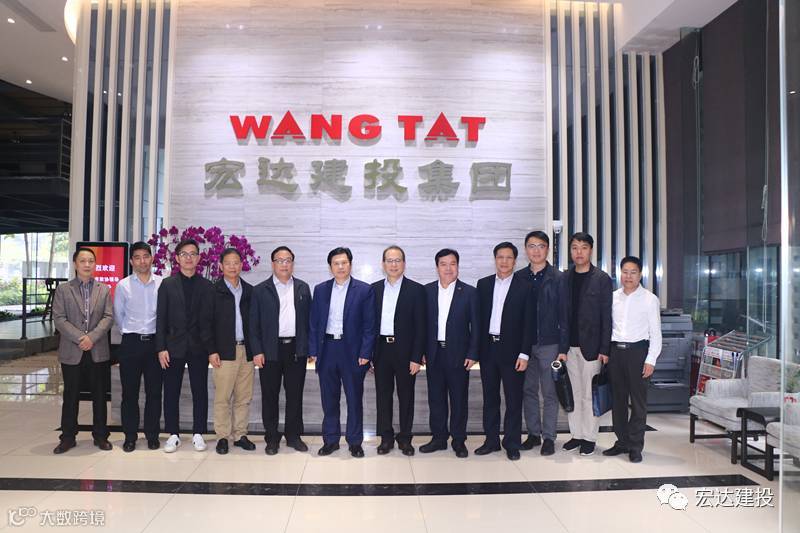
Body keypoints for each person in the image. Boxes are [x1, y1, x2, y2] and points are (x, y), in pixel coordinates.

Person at [309, 247, 376, 458]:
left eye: (344, 263)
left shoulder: (364, 290)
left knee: (354, 398)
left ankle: (355, 442)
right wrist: (313, 350)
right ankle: (331, 440)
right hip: (327, 349)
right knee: (329, 399)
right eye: (336, 263)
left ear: (350, 264)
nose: (340, 267)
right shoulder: (320, 290)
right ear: (330, 267)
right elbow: (314, 323)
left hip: (353, 351)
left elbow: (369, 326)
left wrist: (366, 353)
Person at [250, 246, 312, 455]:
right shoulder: (260, 290)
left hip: (296, 350)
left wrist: (308, 348)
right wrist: (257, 351)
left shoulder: (303, 288)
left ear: (293, 263)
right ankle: (272, 437)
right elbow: (253, 325)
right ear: (273, 264)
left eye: (288, 260)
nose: (284, 264)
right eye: (280, 260)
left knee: (295, 395)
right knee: (270, 396)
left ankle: (293, 436)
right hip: (269, 350)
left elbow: (309, 322)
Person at [52, 248, 114, 454]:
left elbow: (108, 317)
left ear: (95, 264)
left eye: (91, 261)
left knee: (99, 395)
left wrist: (92, 337)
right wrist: (81, 338)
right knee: (71, 395)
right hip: (72, 350)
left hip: (97, 350)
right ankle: (68, 437)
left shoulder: (104, 289)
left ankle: (101, 436)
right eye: (83, 261)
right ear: (75, 264)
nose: (87, 265)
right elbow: (59, 319)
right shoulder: (63, 290)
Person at [156, 238, 214, 453]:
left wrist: (211, 349)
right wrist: (161, 347)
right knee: (171, 391)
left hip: (199, 347)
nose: (189, 258)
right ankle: (173, 434)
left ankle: (199, 433)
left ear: (199, 258)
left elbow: (210, 321)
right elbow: (161, 318)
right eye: (184, 254)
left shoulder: (207, 286)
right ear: (177, 258)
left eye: (193, 254)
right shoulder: (167, 284)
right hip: (173, 347)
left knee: (200, 390)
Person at [476, 242, 532, 461]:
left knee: (513, 399)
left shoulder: (525, 286)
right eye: (500, 257)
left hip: (513, 352)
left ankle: (512, 442)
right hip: (488, 349)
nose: (504, 261)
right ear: (495, 259)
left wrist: (524, 354)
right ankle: (491, 441)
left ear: (515, 261)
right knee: (490, 398)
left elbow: (529, 324)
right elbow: (478, 321)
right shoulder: (483, 284)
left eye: (509, 257)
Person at [603, 256, 662, 463]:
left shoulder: (649, 299)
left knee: (638, 403)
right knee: (618, 401)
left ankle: (636, 446)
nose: (628, 276)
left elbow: (656, 333)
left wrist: (651, 360)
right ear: (620, 273)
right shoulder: (613, 298)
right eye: (625, 272)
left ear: (640, 274)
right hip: (615, 353)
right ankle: (622, 442)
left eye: (633, 272)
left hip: (638, 353)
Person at [421, 248, 479, 458]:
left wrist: (472, 353)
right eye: (443, 264)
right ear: (437, 267)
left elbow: (477, 326)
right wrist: (421, 352)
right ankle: (438, 438)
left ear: (458, 266)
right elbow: (421, 326)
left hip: (459, 355)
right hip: (433, 353)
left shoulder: (470, 292)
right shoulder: (426, 291)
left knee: (458, 399)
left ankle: (458, 440)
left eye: (452, 264)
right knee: (436, 399)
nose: (448, 268)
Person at [516, 231, 569, 456]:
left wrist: (563, 349)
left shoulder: (558, 277)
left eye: (540, 246)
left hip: (550, 344)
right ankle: (533, 434)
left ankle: (549, 437)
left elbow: (565, 316)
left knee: (549, 392)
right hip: (525, 345)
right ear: (526, 249)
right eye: (531, 246)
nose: (536, 251)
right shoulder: (519, 277)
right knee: (528, 390)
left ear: (547, 249)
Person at [560, 232, 612, 457]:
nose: (578, 252)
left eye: (583, 247)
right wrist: (561, 349)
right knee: (573, 393)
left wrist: (604, 349)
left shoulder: (601, 279)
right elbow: (562, 315)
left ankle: (589, 438)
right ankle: (577, 435)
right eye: (574, 247)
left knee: (590, 395)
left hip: (592, 348)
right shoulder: (565, 277)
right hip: (568, 348)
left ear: (591, 250)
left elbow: (607, 317)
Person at [371, 245, 426, 456]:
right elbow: (369, 325)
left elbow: (421, 327)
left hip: (406, 352)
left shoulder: (416, 290)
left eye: (397, 260)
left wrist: (416, 357)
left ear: (404, 263)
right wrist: (369, 354)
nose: (393, 264)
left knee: (406, 396)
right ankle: (386, 438)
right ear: (383, 264)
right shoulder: (374, 289)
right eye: (389, 260)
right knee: (383, 396)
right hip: (381, 350)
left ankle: (405, 438)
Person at [114, 241, 163, 452]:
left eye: (146, 256)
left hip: (155, 344)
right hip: (131, 344)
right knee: (129, 393)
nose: (142, 261)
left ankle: (152, 435)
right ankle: (130, 436)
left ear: (152, 258)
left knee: (154, 393)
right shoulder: (123, 286)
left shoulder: (162, 283)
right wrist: (130, 334)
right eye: (137, 257)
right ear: (131, 261)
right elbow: (118, 316)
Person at [206, 248, 256, 455]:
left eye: (236, 262)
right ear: (220, 266)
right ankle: (222, 437)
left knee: (244, 397)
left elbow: (255, 323)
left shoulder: (250, 291)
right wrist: (211, 350)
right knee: (223, 397)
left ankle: (240, 435)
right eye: (228, 263)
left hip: (246, 351)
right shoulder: (213, 290)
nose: (233, 266)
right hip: (224, 351)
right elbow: (206, 324)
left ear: (241, 265)